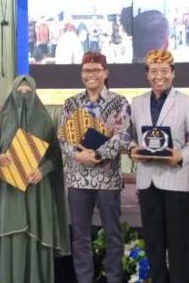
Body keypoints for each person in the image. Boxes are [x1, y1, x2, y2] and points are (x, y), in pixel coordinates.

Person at [0, 75, 70, 283]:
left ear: (35, 93)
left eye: (28, 92)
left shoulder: (45, 120)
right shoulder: (3, 119)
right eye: (19, 92)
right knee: (9, 236)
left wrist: (43, 170)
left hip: (37, 191)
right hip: (8, 190)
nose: (23, 96)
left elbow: (56, 156)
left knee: (35, 235)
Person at [128, 50, 189, 283]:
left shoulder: (188, 102)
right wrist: (132, 150)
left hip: (175, 179)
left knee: (178, 242)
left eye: (164, 71)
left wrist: (181, 155)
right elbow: (131, 136)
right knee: (153, 240)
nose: (158, 76)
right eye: (153, 71)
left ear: (173, 73)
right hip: (147, 180)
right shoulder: (137, 102)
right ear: (147, 75)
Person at [58, 52, 131, 283]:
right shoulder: (71, 103)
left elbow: (124, 136)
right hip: (77, 179)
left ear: (105, 73)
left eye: (96, 70)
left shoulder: (118, 102)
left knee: (113, 234)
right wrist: (78, 155)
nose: (91, 75)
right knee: (80, 236)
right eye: (87, 70)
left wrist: (98, 153)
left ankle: (113, 278)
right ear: (82, 74)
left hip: (107, 178)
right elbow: (62, 139)